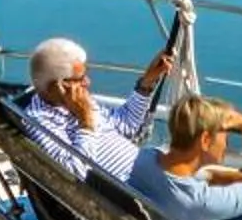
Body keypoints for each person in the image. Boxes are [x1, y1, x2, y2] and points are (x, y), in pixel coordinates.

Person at [18, 35, 175, 183]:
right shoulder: (39, 122)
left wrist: (146, 83)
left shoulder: (77, 101)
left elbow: (127, 125)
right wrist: (85, 122)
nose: (88, 82)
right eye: (80, 79)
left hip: (148, 171)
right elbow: (75, 173)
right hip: (135, 189)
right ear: (57, 87)